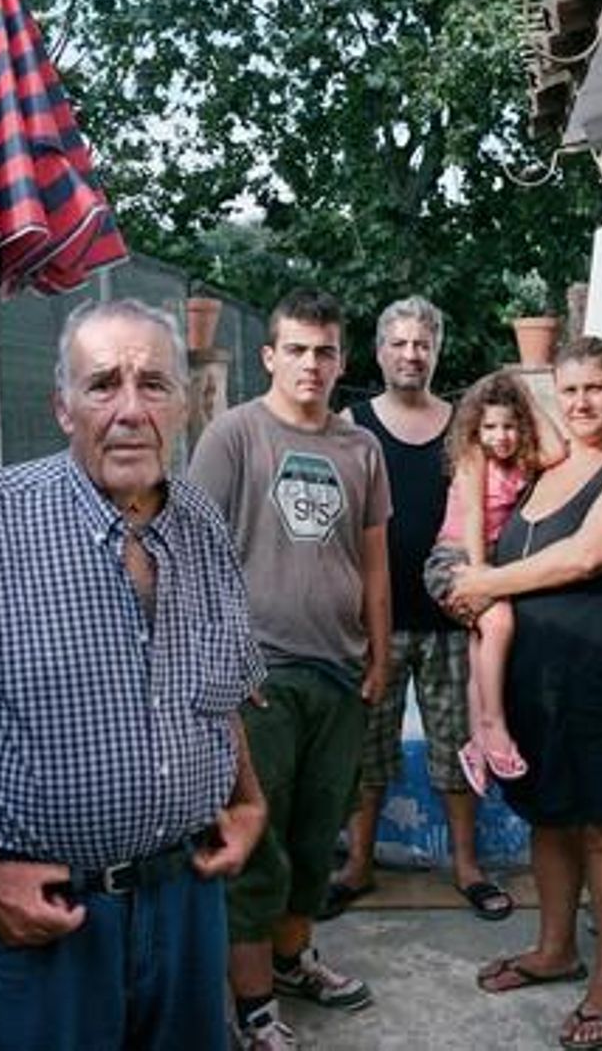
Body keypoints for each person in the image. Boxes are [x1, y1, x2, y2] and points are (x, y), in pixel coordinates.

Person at [0, 299, 267, 1051]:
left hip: (189, 902)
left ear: (185, 404)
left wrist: (248, 799)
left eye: (154, 385)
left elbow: (219, 688)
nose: (131, 410)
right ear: (63, 408)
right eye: (104, 384)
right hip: (46, 921)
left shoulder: (203, 522)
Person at [188, 288, 391, 1051]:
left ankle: (292, 957)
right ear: (269, 355)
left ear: (343, 360)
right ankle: (252, 1009)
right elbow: (194, 560)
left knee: (316, 841)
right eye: (297, 349)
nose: (312, 363)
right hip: (258, 680)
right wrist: (220, 666)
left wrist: (375, 655)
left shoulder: (359, 448)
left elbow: (373, 561)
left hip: (340, 675)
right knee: (256, 847)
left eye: (326, 351)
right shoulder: (234, 436)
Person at [450, 337, 602, 1051]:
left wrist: (485, 585)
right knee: (548, 819)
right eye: (569, 392)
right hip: (533, 681)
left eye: (596, 389)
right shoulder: (548, 464)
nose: (582, 404)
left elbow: (590, 555)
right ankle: (555, 949)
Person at [322, 296, 516, 923]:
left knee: (456, 747)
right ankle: (357, 864)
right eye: (399, 343)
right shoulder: (349, 424)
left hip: (451, 616)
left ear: (435, 351)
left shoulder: (464, 423)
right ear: (379, 352)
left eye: (421, 344)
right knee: (369, 750)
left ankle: (466, 866)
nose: (411, 354)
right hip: (372, 622)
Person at [423, 370, 565, 791]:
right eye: (490, 427)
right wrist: (483, 575)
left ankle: (476, 742)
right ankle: (492, 724)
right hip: (455, 559)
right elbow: (472, 518)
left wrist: (524, 395)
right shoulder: (473, 457)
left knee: (482, 642)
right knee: (499, 622)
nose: (500, 436)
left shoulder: (522, 461)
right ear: (475, 428)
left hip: (489, 564)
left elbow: (557, 450)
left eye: (509, 426)